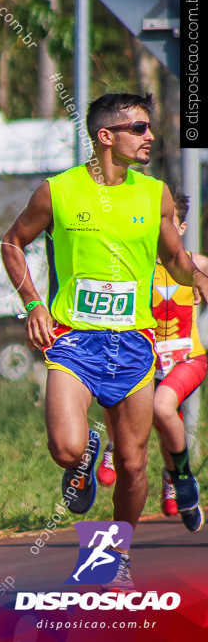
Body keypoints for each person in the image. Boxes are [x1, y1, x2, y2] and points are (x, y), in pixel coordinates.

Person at [1, 93, 208, 592]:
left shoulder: (154, 194)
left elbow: (176, 257)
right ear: (105, 136)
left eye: (149, 127)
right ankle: (86, 453)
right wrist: (33, 303)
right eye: (137, 128)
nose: (149, 136)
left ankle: (112, 557)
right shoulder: (58, 191)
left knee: (135, 465)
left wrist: (196, 278)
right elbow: (12, 243)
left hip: (133, 346)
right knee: (64, 448)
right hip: (74, 340)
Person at [96, 192, 205, 531]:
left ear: (181, 227)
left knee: (162, 408)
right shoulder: (137, 267)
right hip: (146, 363)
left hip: (188, 359)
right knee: (140, 407)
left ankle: (183, 477)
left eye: (169, 225)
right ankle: (149, 461)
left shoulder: (197, 264)